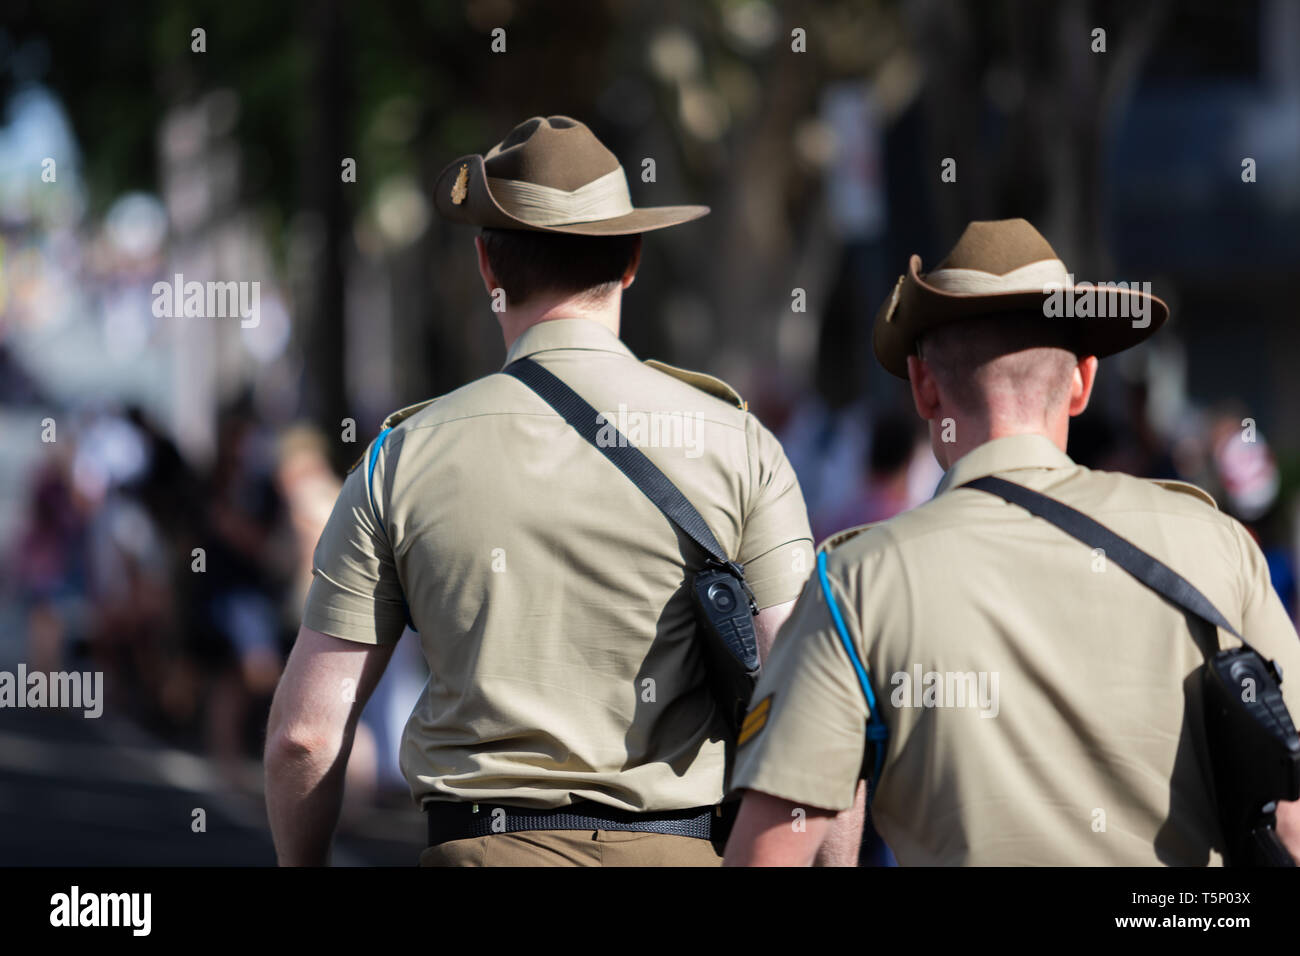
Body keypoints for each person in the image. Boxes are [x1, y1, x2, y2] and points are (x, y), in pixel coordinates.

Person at [265, 116, 816, 866]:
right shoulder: (739, 444)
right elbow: (808, 706)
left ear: (487, 266)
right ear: (631, 260)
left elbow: (304, 738)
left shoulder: (401, 458)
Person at [723, 218, 1300, 866]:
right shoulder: (1217, 546)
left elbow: (768, 856)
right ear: (1082, 381)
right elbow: (1292, 821)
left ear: (924, 385)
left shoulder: (856, 581)